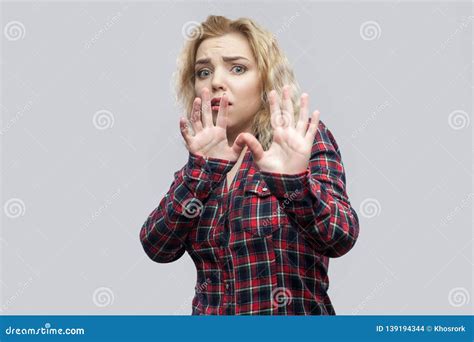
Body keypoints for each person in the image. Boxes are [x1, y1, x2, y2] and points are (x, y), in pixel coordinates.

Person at [139, 15, 360, 315]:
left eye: (238, 68)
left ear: (267, 79)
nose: (216, 82)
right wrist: (200, 173)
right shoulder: (199, 165)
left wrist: (293, 184)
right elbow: (158, 246)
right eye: (203, 72)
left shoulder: (299, 140)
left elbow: (340, 235)